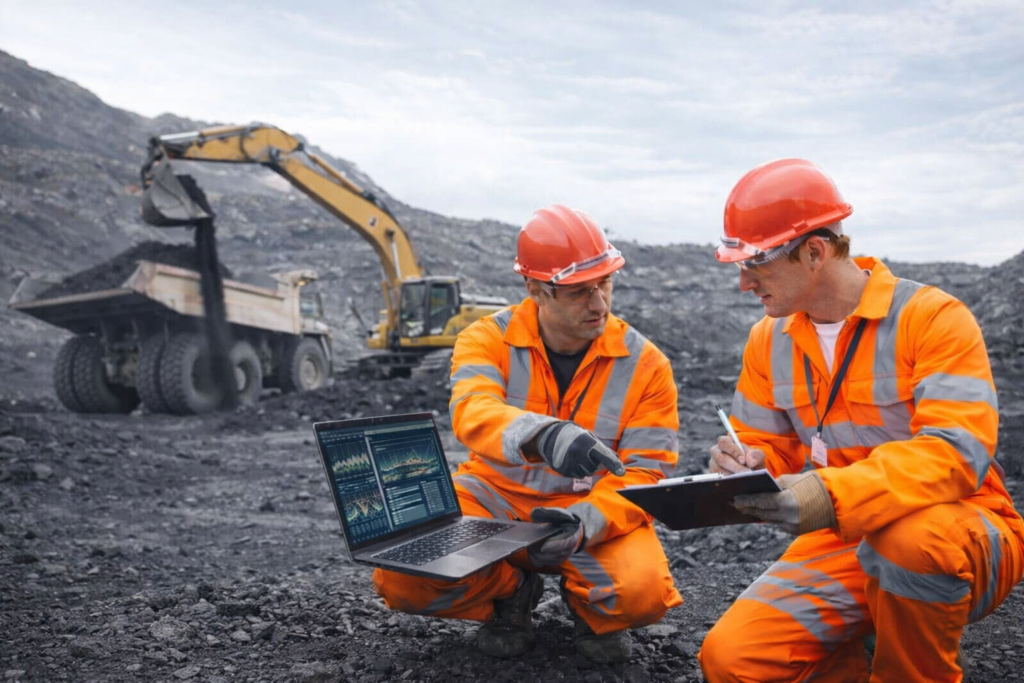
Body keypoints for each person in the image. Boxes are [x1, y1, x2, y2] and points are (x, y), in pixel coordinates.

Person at [697, 158, 1024, 683]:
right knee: (732, 661)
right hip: (847, 535)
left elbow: (955, 454)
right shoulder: (768, 339)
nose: (742, 283)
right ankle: (858, 649)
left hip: (961, 527)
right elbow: (766, 441)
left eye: (754, 264)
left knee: (909, 544)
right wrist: (750, 458)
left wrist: (827, 494)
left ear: (814, 253)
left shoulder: (934, 319)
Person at [373, 204, 683, 663]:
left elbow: (645, 474)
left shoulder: (647, 364)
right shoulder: (485, 339)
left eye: (605, 284)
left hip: (590, 507)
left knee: (642, 593)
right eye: (579, 291)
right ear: (536, 289)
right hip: (493, 497)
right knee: (403, 576)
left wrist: (585, 523)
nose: (598, 304)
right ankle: (511, 593)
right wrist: (541, 435)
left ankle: (590, 612)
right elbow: (472, 409)